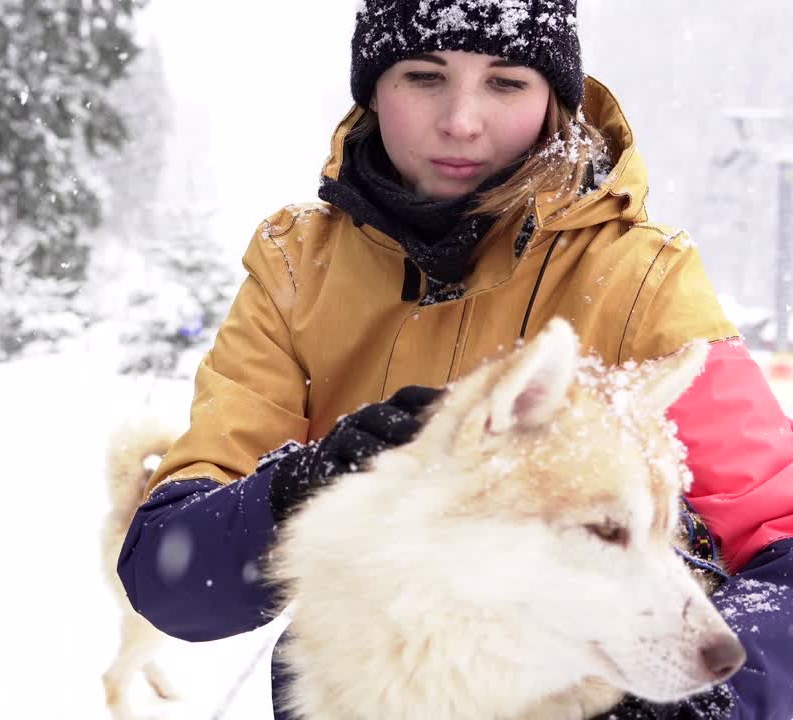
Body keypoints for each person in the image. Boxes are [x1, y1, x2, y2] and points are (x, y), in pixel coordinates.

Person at [115, 1, 793, 719]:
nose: (462, 121)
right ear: (374, 88)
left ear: (553, 99)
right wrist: (302, 487)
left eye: (506, 83)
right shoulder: (295, 271)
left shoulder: (637, 280)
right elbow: (171, 576)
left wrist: (700, 708)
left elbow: (783, 544)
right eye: (423, 75)